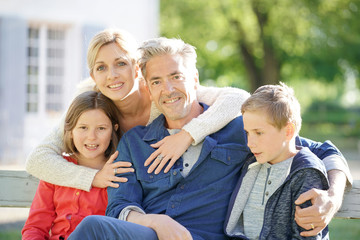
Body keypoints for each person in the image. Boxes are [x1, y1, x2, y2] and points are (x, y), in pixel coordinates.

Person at [68, 37, 351, 240]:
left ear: (194, 79)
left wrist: (333, 196)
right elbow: (118, 206)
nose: (168, 90)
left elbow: (321, 149)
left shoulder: (239, 129)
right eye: (156, 81)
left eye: (176, 77)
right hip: (150, 234)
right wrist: (156, 222)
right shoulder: (134, 142)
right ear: (148, 88)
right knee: (97, 227)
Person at [25, 28, 250, 192]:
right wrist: (93, 177)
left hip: (162, 193)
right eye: (101, 67)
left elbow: (239, 98)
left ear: (137, 68)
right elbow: (37, 159)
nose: (111, 75)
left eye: (120, 63)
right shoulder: (92, 105)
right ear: (93, 76)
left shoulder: (161, 92)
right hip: (121, 197)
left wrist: (187, 135)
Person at [224, 83, 330, 239]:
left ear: (288, 131)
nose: (250, 143)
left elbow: (307, 235)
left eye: (259, 133)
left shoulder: (305, 173)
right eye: (247, 133)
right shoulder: (252, 164)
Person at [22, 91, 131, 240]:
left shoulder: (117, 173)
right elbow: (34, 228)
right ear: (70, 130)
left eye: (101, 128)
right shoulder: (56, 170)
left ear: (114, 129)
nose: (91, 136)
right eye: (83, 128)